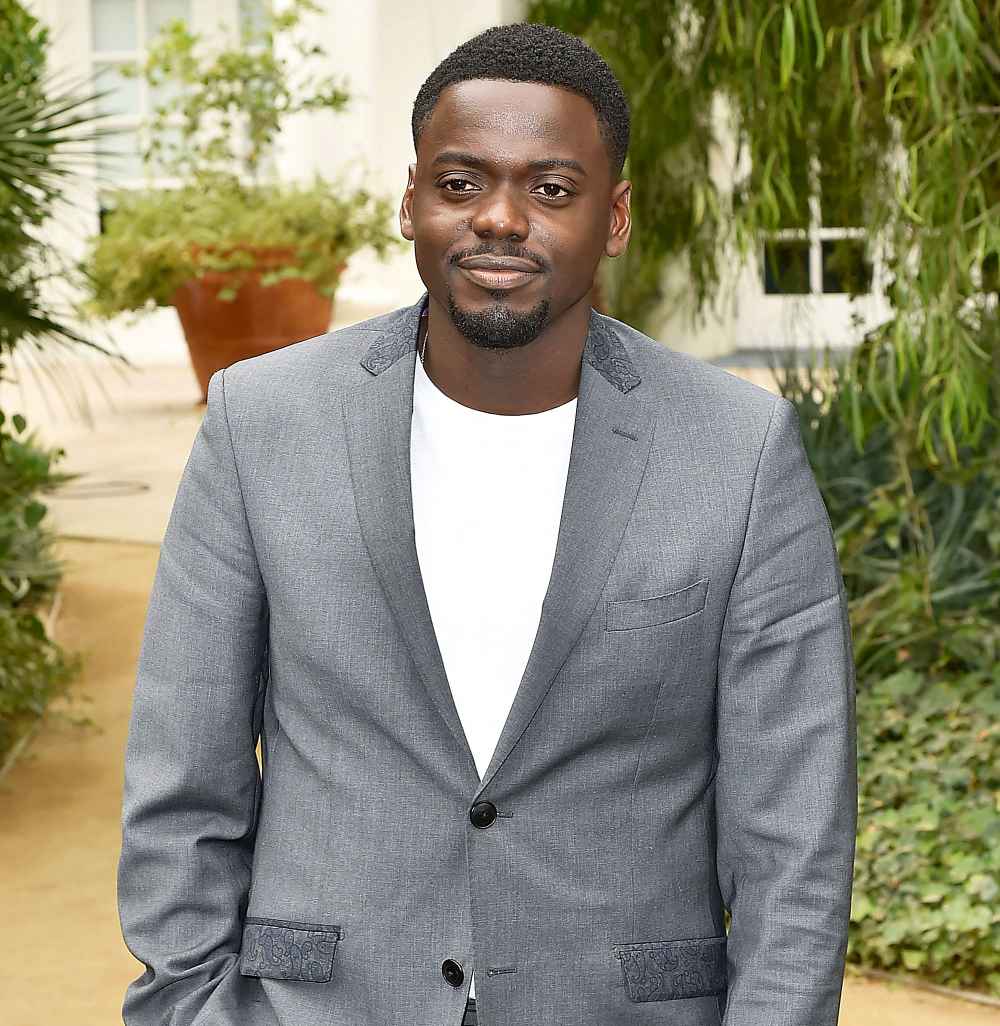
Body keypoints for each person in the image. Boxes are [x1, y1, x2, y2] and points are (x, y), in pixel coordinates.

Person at [117, 21, 857, 1026]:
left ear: (616, 215)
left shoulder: (738, 447)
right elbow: (183, 781)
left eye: (551, 189)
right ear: (410, 200)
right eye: (460, 184)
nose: (500, 220)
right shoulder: (261, 423)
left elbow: (794, 837)